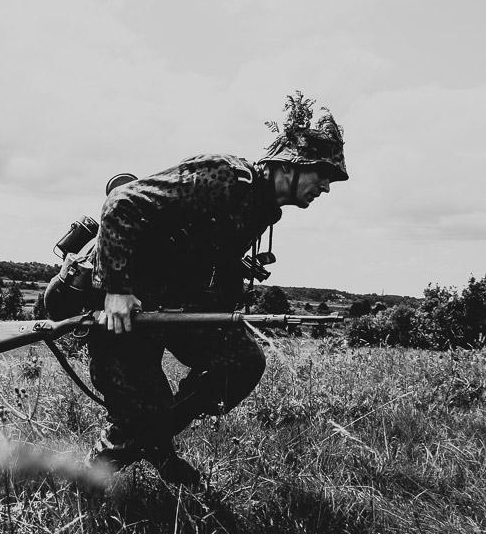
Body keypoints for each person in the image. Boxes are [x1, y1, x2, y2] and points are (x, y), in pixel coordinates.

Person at [87, 93, 349, 484]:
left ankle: (152, 434)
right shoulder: (225, 176)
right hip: (128, 305)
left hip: (175, 306)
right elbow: (121, 203)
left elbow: (197, 248)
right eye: (322, 174)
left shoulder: (261, 209)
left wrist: (234, 268)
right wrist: (117, 288)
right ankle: (95, 477)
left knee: (241, 361)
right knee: (140, 407)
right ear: (290, 164)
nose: (325, 187)